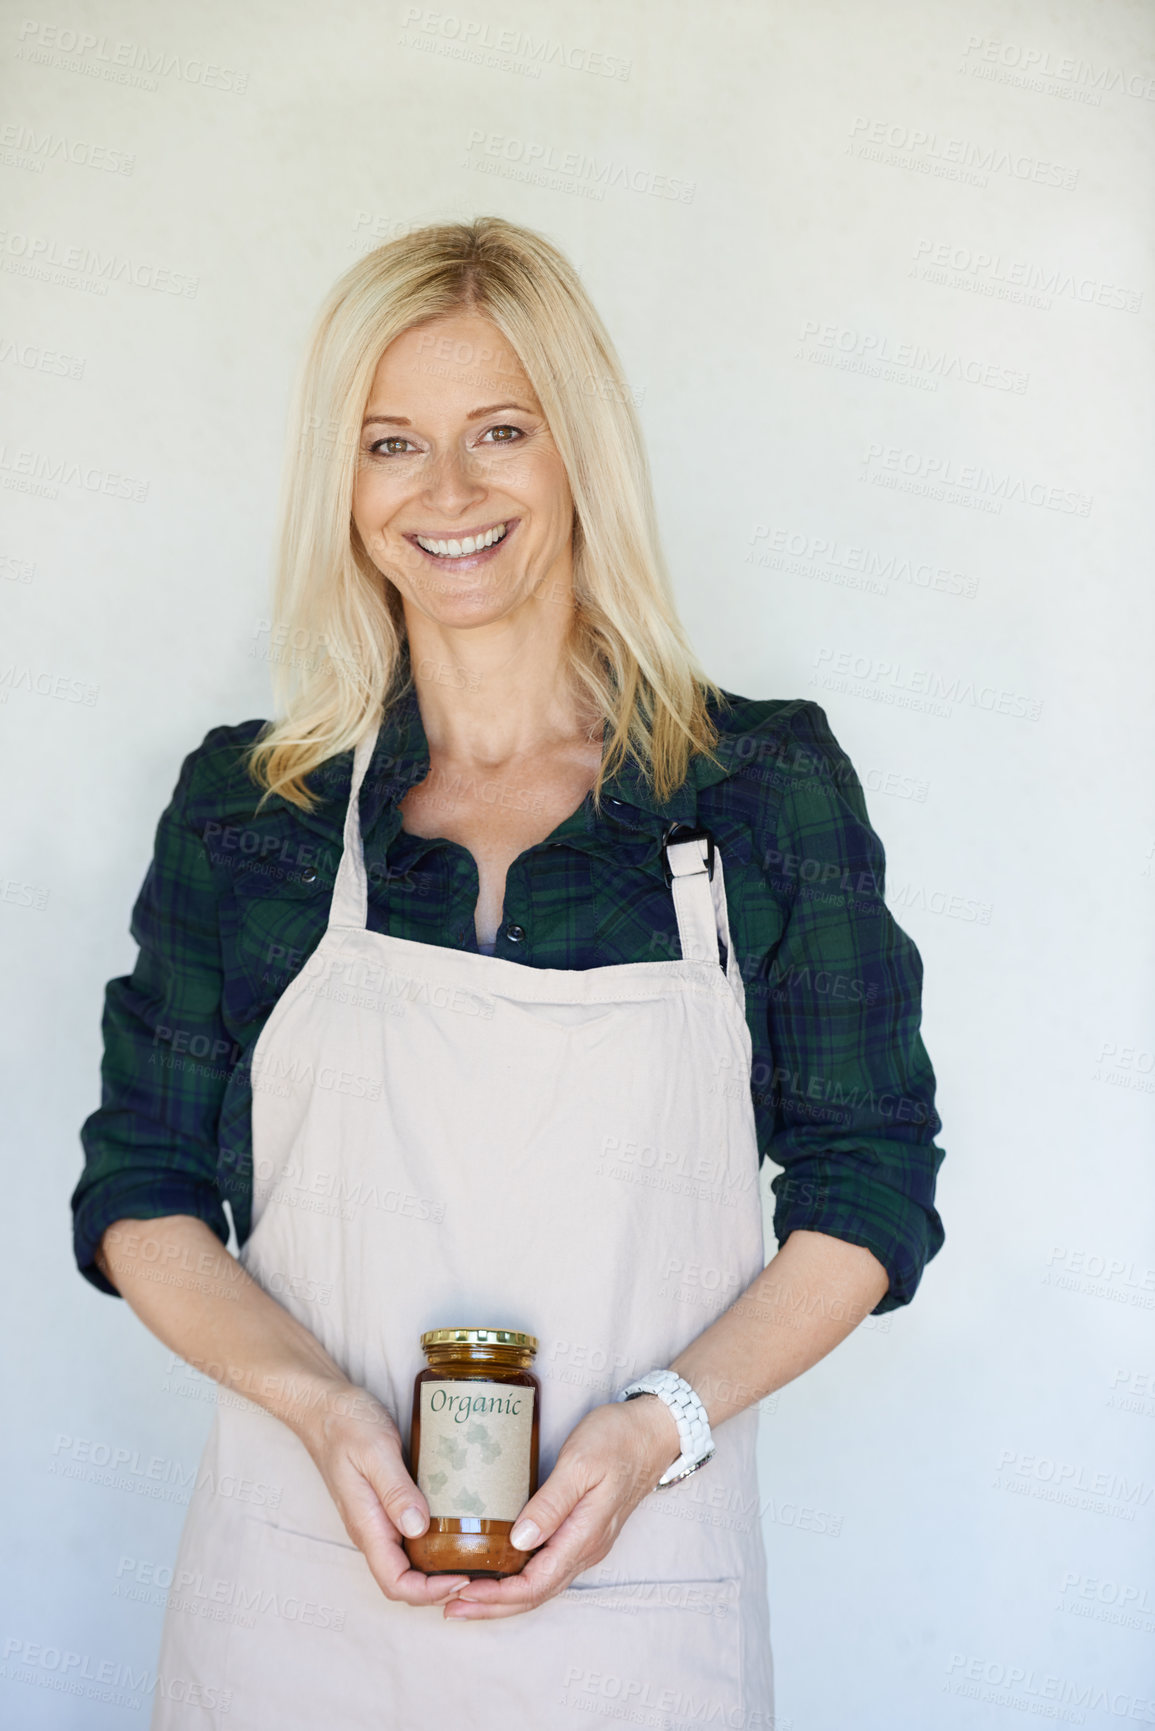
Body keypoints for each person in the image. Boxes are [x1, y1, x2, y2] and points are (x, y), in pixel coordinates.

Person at [72, 215, 946, 1728]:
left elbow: (868, 1186)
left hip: (636, 1617)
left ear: (580, 454)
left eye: (500, 432)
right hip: (302, 1614)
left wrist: (652, 1432)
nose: (450, 493)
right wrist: (318, 1408)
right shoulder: (255, 810)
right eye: (391, 443)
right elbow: (141, 1191)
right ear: (342, 487)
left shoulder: (757, 792)